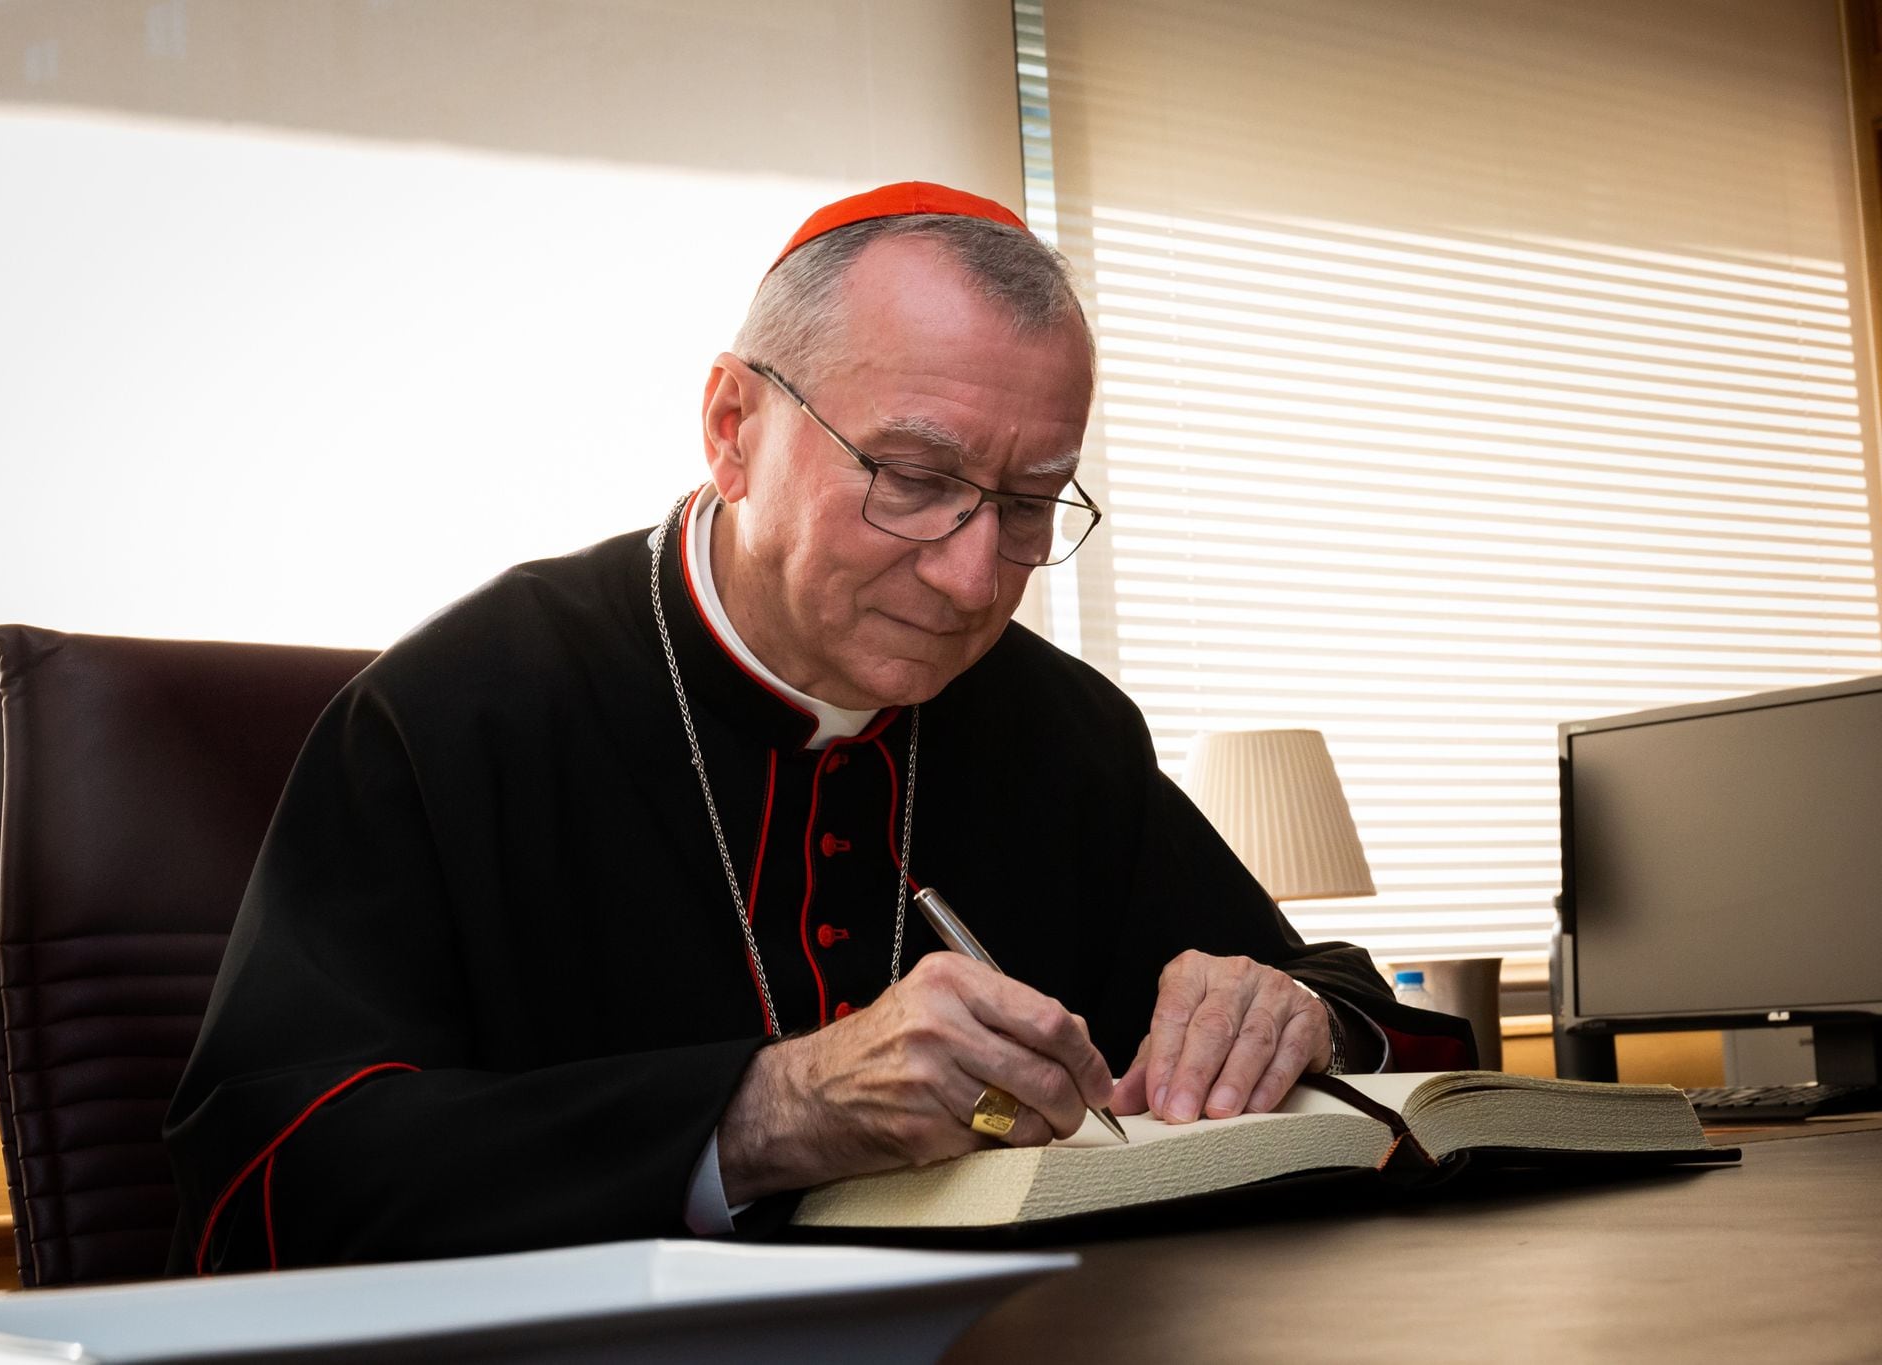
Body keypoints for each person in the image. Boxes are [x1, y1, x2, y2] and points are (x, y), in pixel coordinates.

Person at [164, 182, 1472, 1274]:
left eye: (1029, 502)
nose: (975, 579)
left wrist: (1296, 1010)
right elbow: (262, 1182)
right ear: (735, 429)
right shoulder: (459, 712)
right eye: (912, 480)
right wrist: (758, 1115)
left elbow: (1359, 1013)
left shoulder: (1056, 728)